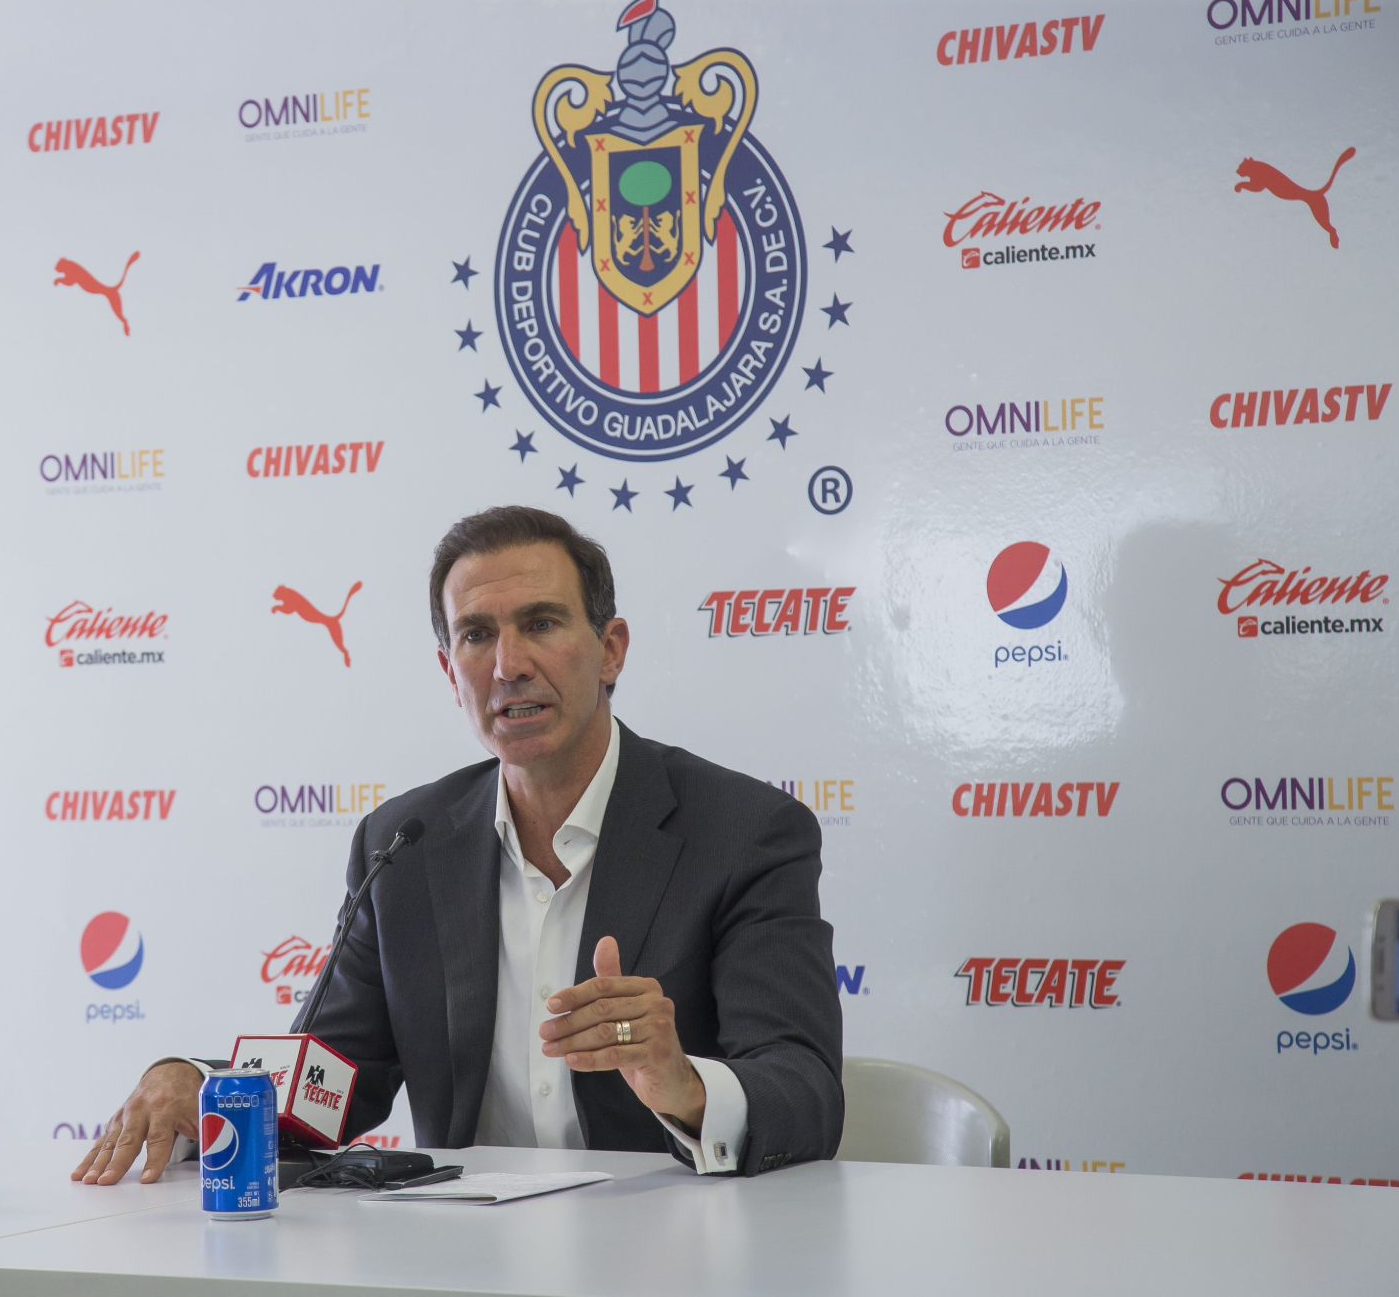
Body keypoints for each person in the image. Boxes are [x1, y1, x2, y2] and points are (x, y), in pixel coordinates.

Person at [72, 506, 844, 1183]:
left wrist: (684, 1084)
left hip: (673, 1258)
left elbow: (805, 1090)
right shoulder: (403, 846)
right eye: (477, 635)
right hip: (459, 1260)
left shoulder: (743, 833)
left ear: (611, 649)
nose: (509, 665)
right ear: (450, 670)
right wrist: (200, 1086)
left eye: (541, 623)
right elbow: (332, 1087)